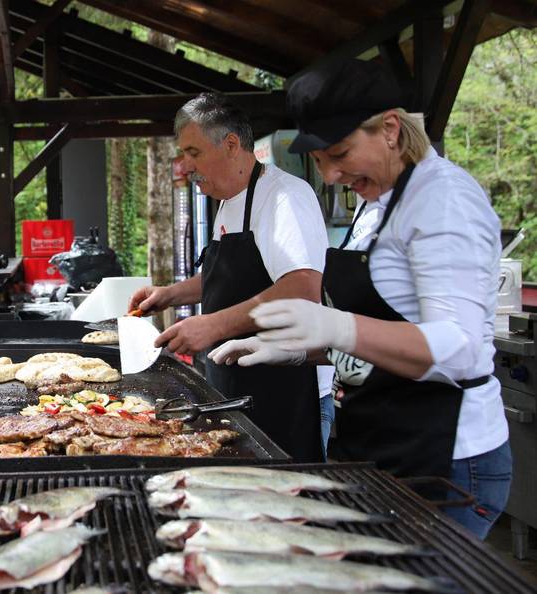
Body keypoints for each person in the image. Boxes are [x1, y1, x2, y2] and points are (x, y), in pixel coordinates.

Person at [209, 59, 511, 539]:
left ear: (391, 128)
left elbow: (461, 349)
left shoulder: (442, 200)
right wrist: (298, 350)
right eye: (320, 159)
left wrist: (337, 327)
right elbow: (381, 333)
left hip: (442, 457)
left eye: (341, 153)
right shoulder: (375, 206)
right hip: (375, 442)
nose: (329, 175)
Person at [129, 93, 329, 463]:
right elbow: (227, 277)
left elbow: (302, 289)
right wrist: (171, 294)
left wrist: (214, 325)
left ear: (231, 144)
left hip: (283, 396)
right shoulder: (229, 200)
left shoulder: (283, 198)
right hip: (235, 386)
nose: (185, 166)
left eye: (194, 152)